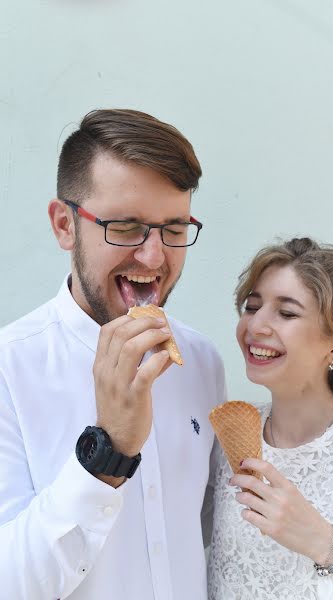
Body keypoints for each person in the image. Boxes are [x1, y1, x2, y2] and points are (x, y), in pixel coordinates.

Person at [0, 109, 226, 600]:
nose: (153, 256)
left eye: (174, 227)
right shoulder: (9, 369)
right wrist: (109, 451)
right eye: (125, 227)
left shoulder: (204, 362)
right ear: (64, 225)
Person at [207, 237, 333, 600]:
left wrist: (323, 542)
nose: (256, 326)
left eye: (287, 313)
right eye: (252, 306)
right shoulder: (224, 444)